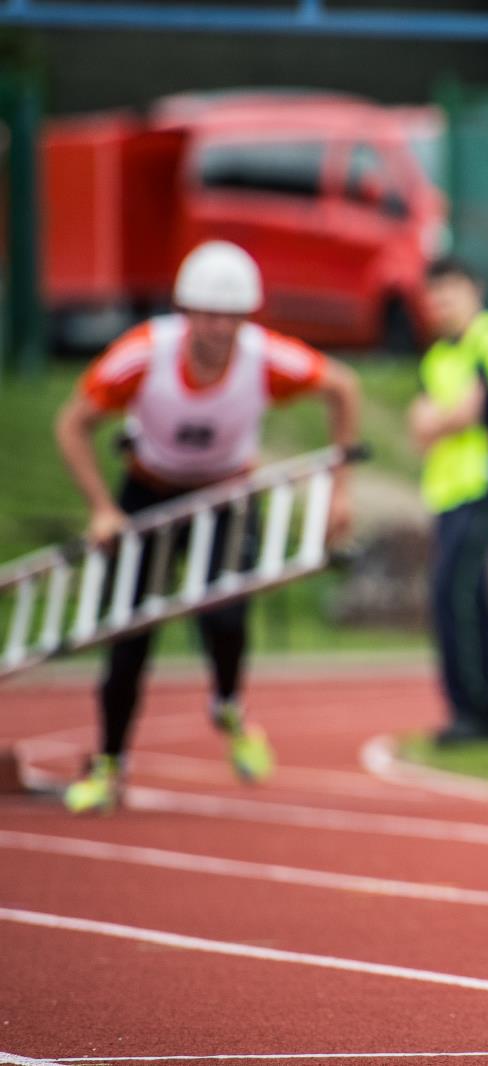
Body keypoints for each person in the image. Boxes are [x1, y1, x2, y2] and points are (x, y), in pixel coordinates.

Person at [53, 240, 360, 814]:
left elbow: (343, 387)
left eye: (231, 317)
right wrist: (100, 507)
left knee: (224, 615)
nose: (219, 329)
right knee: (130, 634)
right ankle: (110, 761)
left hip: (225, 496)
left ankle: (228, 705)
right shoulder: (143, 354)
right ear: (185, 311)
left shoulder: (265, 357)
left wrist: (340, 491)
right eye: (208, 315)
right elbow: (73, 423)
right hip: (148, 492)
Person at [409, 257, 488, 746]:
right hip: (447, 491)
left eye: (451, 291)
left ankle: (480, 712)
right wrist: (443, 419)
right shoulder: (437, 357)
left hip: (487, 482)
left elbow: (467, 412)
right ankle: (478, 713)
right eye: (435, 294)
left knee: (457, 593)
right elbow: (420, 423)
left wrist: (442, 419)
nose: (443, 303)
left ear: (475, 290)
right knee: (461, 598)